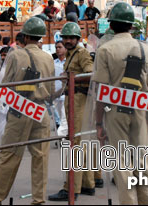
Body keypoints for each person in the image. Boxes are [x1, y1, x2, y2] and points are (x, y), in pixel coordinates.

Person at [92, 2, 148, 205]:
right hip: (139, 108)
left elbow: (100, 92)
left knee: (121, 164)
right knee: (142, 161)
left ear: (111, 25)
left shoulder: (105, 49)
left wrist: (98, 123)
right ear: (131, 26)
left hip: (114, 111)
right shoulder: (145, 49)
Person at [0, 17, 55, 205]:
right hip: (40, 112)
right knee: (40, 158)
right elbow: (49, 87)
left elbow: (6, 85)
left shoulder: (15, 56)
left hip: (20, 110)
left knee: (9, 156)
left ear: (24, 36)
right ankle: (38, 200)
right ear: (40, 37)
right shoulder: (48, 57)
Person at [49, 22, 95, 202]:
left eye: (71, 38)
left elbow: (90, 73)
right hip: (72, 98)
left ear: (77, 39)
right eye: (65, 38)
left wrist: (72, 78)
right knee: (80, 142)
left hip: (79, 100)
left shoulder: (81, 53)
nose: (67, 41)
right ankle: (87, 184)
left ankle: (71, 188)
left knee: (75, 143)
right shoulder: (71, 54)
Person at [53, 41, 68, 136]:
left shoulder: (68, 62)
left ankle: (61, 137)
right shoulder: (53, 63)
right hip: (56, 95)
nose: (58, 49)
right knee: (59, 118)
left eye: (60, 47)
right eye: (56, 47)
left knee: (64, 119)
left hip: (66, 95)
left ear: (65, 49)